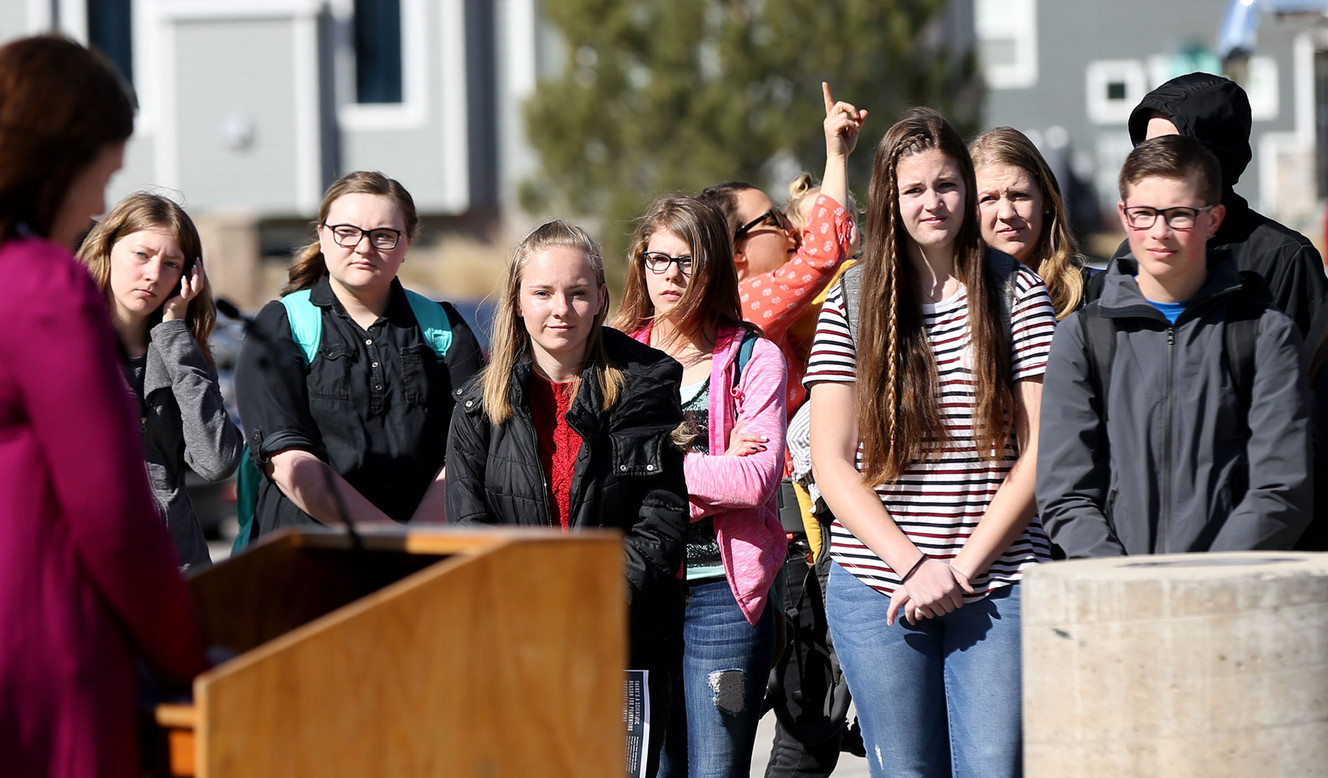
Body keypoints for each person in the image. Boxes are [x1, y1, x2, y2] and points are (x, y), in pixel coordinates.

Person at [806, 107, 1057, 777]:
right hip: (878, 583)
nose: (933, 203)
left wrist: (960, 569)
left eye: (946, 185)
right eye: (914, 189)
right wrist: (916, 567)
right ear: (889, 198)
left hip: (997, 582)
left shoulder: (1018, 291)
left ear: (967, 190)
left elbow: (1039, 454)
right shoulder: (852, 301)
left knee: (990, 768)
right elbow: (831, 462)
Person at [0, 35, 208, 778]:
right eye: (102, 176)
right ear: (57, 159)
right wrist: (190, 658)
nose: (96, 205)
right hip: (40, 647)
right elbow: (114, 518)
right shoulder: (43, 289)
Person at [445, 220, 688, 777]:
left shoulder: (647, 383)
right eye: (544, 292)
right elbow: (469, 528)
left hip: (621, 643)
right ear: (518, 300)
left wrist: (583, 608)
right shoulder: (476, 406)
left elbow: (660, 524)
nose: (562, 309)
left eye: (578, 292)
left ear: (602, 298)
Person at [1037, 135, 1313, 557]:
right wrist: (1127, 584)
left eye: (1180, 214)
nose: (1159, 232)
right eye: (1144, 214)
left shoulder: (1264, 335)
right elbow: (1065, 492)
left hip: (1227, 597)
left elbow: (1282, 488)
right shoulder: (1083, 337)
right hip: (1118, 598)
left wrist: (1202, 585)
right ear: (1124, 216)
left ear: (1214, 219)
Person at [1106, 71, 1328, 550]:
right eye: (1144, 150)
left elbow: (1306, 416)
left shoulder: (1282, 258)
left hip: (1252, 539)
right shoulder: (1131, 254)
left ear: (1216, 158)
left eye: (1172, 149)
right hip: (1139, 540)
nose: (1155, 164)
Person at [614, 196, 787, 777]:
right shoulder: (615, 355)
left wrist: (650, 467)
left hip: (727, 602)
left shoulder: (754, 356)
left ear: (714, 265)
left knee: (719, 765)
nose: (670, 275)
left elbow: (757, 479)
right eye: (657, 259)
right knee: (651, 767)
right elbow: (601, 476)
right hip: (640, 590)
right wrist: (712, 464)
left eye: (685, 260)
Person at [235, 171, 483, 536]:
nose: (364, 247)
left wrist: (412, 544)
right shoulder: (282, 324)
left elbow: (470, 449)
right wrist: (389, 540)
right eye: (346, 232)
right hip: (309, 560)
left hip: (421, 558)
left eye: (383, 236)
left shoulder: (445, 327)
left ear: (407, 244)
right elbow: (287, 460)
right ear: (322, 236)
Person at [77, 193, 243, 571]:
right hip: (97, 569)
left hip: (180, 568)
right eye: (141, 255)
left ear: (188, 278)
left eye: (171, 264)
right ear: (106, 249)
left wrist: (174, 335)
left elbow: (216, 461)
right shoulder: (67, 342)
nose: (153, 274)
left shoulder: (182, 351)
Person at [699, 83, 864, 420]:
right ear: (736, 254)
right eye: (774, 220)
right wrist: (836, 156)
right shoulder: (745, 303)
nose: (792, 231)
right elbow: (822, 251)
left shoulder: (725, 308)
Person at [970, 126, 1091, 320]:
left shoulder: (1097, 296)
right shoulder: (949, 303)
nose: (1006, 213)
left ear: (1046, 200)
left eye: (1019, 195)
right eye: (989, 199)